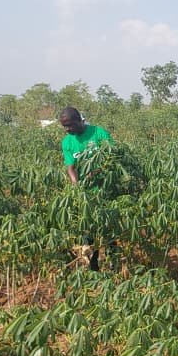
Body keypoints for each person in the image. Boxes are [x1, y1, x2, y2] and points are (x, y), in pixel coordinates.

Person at [59, 107, 113, 270]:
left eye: (70, 125)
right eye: (64, 126)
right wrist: (77, 186)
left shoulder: (99, 133)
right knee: (88, 232)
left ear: (79, 120)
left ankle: (113, 263)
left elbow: (111, 157)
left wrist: (95, 173)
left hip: (106, 189)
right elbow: (70, 167)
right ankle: (93, 267)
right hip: (86, 194)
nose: (67, 129)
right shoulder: (67, 142)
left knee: (109, 229)